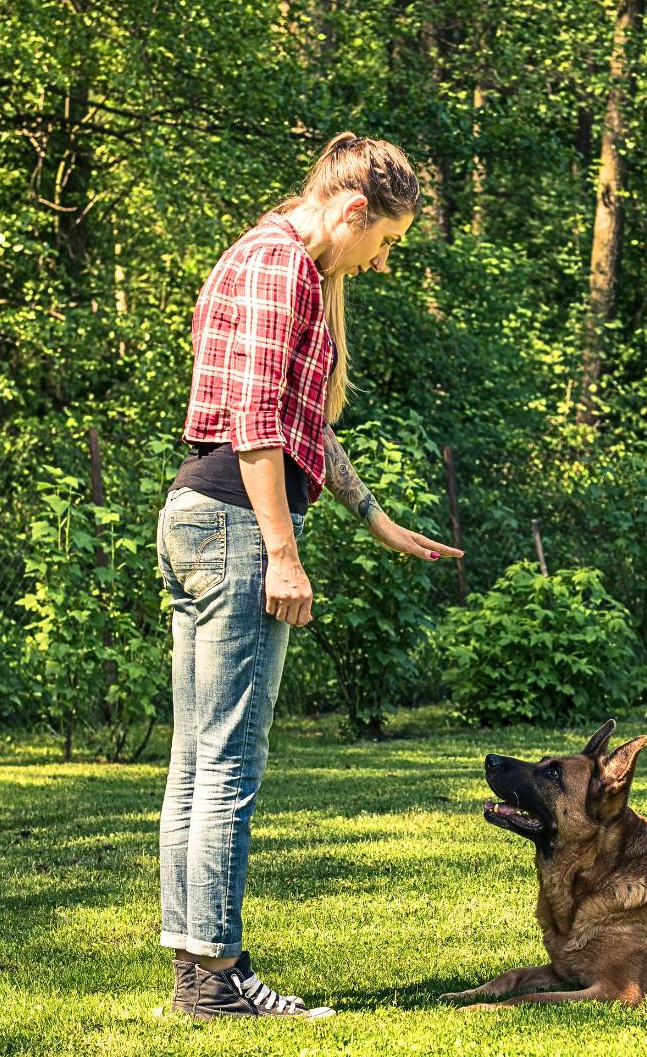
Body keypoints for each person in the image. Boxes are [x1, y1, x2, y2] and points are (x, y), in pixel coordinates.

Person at [155, 133, 462, 1020]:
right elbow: (255, 421)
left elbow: (302, 426)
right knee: (226, 765)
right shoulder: (280, 264)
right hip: (234, 525)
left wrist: (375, 518)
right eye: (389, 243)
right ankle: (218, 980)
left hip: (209, 519)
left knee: (197, 762)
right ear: (355, 210)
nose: (381, 261)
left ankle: (197, 973)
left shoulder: (280, 262)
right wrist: (283, 553)